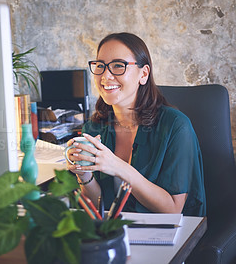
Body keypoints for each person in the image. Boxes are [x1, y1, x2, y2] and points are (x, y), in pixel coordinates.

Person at [66, 32, 206, 217]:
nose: (105, 76)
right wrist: (83, 174)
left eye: (118, 66)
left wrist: (118, 166)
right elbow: (101, 207)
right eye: (100, 66)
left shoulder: (176, 126)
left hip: (169, 235)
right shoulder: (94, 128)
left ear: (143, 74)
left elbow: (172, 209)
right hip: (117, 232)